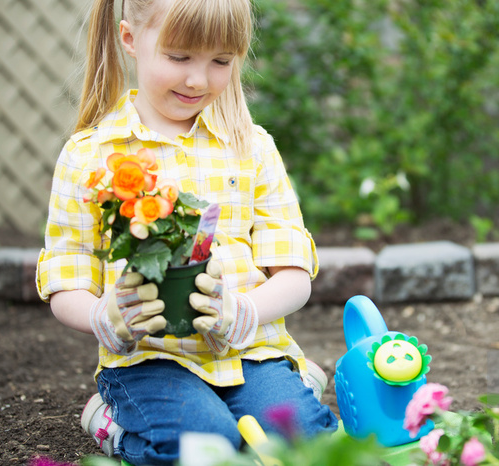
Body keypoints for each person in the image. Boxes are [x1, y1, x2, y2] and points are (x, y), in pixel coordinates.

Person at [35, 0, 337, 463]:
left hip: (250, 350)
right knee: (202, 447)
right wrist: (101, 317)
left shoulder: (252, 147)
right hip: (147, 360)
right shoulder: (90, 155)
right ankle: (112, 424)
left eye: (221, 61)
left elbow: (294, 275)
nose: (199, 79)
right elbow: (66, 276)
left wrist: (245, 310)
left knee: (303, 444)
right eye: (179, 57)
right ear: (130, 40)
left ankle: (291, 379)